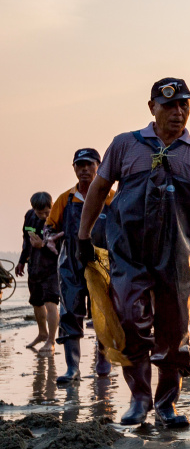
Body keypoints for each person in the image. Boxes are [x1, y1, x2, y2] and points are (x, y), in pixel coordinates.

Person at [76, 78, 190, 427]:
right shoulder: (125, 145)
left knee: (175, 330)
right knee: (128, 320)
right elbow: (98, 190)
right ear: (151, 107)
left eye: (185, 105)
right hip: (128, 254)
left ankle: (167, 404)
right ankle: (140, 399)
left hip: (177, 258)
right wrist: (83, 237)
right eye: (169, 105)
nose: (178, 112)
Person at [45, 148, 116, 384]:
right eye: (80, 165)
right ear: (74, 168)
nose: (84, 169)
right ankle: (72, 368)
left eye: (89, 164)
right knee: (70, 315)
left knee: (103, 315)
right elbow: (49, 227)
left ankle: (103, 362)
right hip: (71, 266)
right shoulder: (66, 198)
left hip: (103, 266)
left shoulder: (111, 197)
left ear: (99, 166)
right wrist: (48, 240)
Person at [17, 191, 60, 355]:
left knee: (51, 302)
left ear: (52, 206)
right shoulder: (29, 216)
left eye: (47, 212)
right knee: (36, 302)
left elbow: (62, 245)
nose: (44, 215)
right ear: (33, 209)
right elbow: (26, 240)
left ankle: (51, 340)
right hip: (34, 267)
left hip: (52, 268)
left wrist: (42, 245)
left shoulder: (57, 218)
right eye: (40, 212)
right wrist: (22, 261)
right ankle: (42, 334)